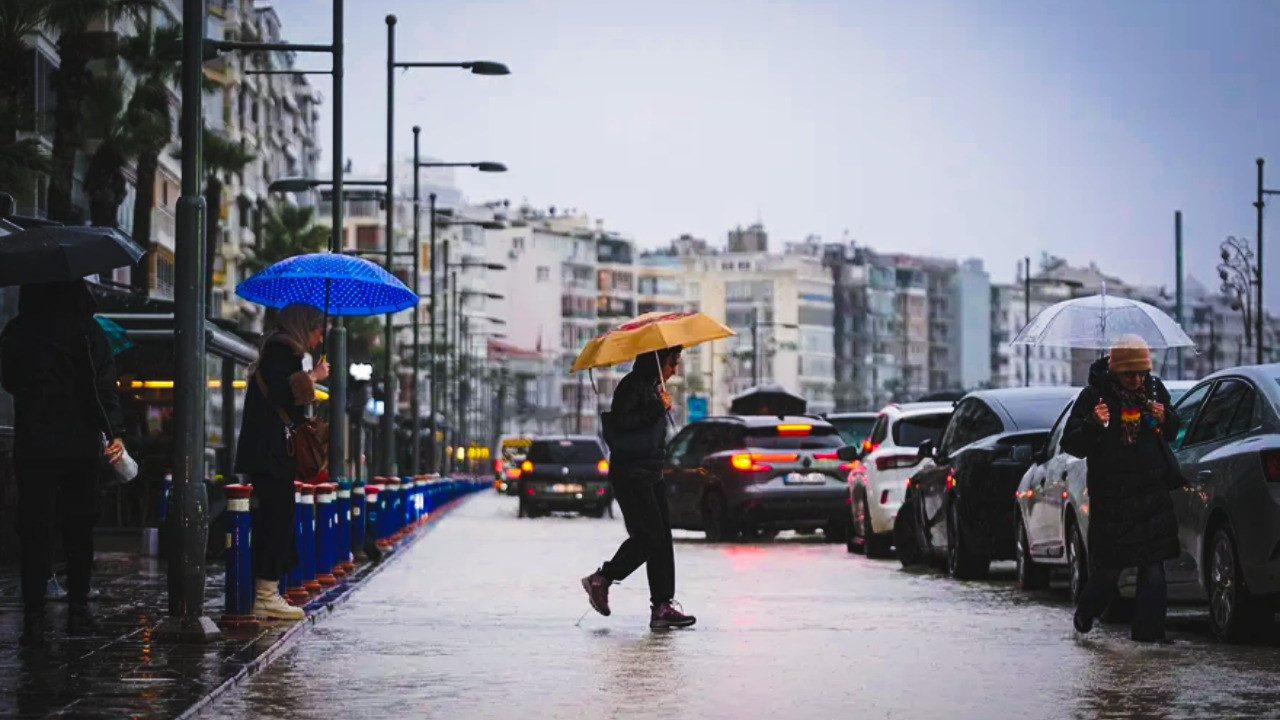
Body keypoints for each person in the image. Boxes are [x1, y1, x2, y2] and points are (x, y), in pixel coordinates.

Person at [0, 280, 124, 646]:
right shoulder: (88, 331)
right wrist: (113, 430)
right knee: (79, 528)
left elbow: (7, 377)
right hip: (79, 443)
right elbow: (104, 385)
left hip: (34, 441)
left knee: (35, 529)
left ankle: (34, 617)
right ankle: (77, 611)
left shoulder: (19, 330)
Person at [1061, 334, 1180, 642]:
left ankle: (1148, 639)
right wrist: (1092, 422)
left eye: (1141, 372)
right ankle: (1086, 612)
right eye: (1129, 373)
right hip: (1113, 497)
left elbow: (1173, 430)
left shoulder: (1154, 391)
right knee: (1109, 570)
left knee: (1153, 570)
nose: (1136, 379)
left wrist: (1165, 415)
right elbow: (1071, 443)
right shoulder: (1094, 397)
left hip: (1152, 496)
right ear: (1115, 370)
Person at [583, 345, 696, 630]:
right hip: (631, 475)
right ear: (660, 361)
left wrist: (659, 404)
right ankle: (602, 578)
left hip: (650, 473)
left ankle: (662, 606)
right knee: (648, 537)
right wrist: (657, 407)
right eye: (673, 362)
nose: (675, 369)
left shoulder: (651, 388)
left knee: (662, 539)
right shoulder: (632, 387)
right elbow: (622, 422)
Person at [234, 303, 328, 620]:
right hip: (270, 452)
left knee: (280, 517)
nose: (320, 338)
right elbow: (281, 395)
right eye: (318, 330)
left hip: (273, 452)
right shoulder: (280, 350)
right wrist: (312, 376)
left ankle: (270, 591)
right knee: (275, 520)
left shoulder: (284, 352)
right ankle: (265, 596)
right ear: (305, 327)